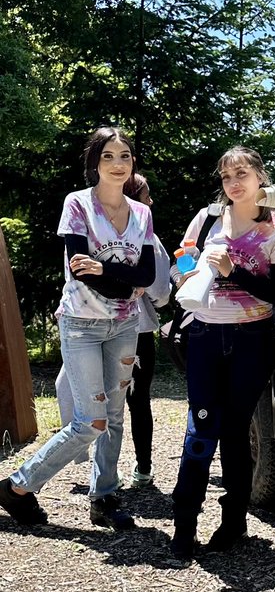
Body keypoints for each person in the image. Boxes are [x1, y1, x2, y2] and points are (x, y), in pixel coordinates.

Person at [0, 126, 156, 531]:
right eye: (108, 156)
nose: (118, 164)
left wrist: (106, 268)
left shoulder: (141, 213)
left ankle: (104, 497)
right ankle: (17, 486)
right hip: (81, 325)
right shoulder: (78, 204)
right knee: (90, 420)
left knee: (115, 417)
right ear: (94, 162)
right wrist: (122, 276)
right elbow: (80, 270)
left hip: (125, 325)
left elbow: (148, 271)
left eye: (124, 156)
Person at [169, 146, 275, 563]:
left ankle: (233, 522)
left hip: (251, 339)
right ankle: (184, 526)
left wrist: (232, 271)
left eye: (242, 173)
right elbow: (182, 261)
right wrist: (186, 270)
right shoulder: (206, 219)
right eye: (226, 177)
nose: (234, 183)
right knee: (201, 428)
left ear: (261, 175)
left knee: (236, 431)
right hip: (204, 334)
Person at [55, 172, 171, 486]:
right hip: (136, 330)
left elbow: (77, 273)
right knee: (135, 402)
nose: (151, 201)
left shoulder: (89, 229)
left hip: (89, 325)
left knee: (97, 404)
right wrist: (134, 288)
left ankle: (105, 476)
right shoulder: (148, 237)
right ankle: (142, 469)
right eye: (146, 195)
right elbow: (159, 290)